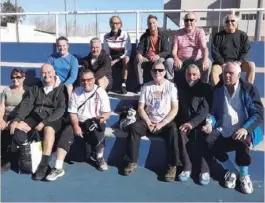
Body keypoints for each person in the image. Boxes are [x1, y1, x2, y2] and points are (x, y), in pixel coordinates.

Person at [202, 62, 263, 194]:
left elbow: (258, 114)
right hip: (224, 128)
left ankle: (244, 175)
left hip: (242, 129)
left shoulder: (248, 89)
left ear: (239, 75)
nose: (227, 76)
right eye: (225, 73)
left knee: (243, 140)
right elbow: (214, 112)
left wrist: (245, 129)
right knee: (208, 141)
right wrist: (209, 123)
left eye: (231, 73)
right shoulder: (218, 90)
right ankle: (231, 170)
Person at [9, 64, 72, 181]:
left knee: (48, 130)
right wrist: (17, 120)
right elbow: (27, 104)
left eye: (48, 72)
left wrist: (44, 122)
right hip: (37, 115)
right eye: (43, 73)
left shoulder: (61, 88)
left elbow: (61, 110)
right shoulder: (36, 87)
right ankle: (22, 159)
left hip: (54, 118)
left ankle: (43, 165)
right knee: (19, 130)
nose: (46, 75)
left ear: (54, 72)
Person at [123, 61, 179, 182]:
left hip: (164, 122)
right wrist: (148, 122)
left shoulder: (171, 86)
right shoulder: (146, 86)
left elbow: (175, 109)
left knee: (174, 130)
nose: (157, 72)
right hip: (148, 119)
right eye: (155, 70)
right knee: (134, 128)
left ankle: (172, 166)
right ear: (151, 72)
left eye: (160, 70)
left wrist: (161, 123)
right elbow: (140, 108)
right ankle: (131, 161)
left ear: (164, 72)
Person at [65, 68, 111, 173]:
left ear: (94, 79)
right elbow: (72, 113)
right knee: (80, 155)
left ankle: (99, 157)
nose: (86, 82)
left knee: (100, 126)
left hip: (94, 122)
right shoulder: (76, 92)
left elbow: (107, 113)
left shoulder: (101, 92)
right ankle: (58, 166)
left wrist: (101, 119)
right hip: (80, 123)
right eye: (83, 80)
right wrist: (76, 126)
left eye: (89, 79)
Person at [176, 64, 213, 185]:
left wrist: (192, 123)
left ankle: (205, 170)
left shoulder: (206, 88)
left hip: (201, 123)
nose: (191, 77)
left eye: (194, 74)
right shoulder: (180, 87)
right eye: (189, 74)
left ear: (199, 76)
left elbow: (205, 110)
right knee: (181, 132)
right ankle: (187, 167)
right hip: (185, 122)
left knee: (204, 135)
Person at [165, 12, 211, 84]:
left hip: (196, 60)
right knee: (169, 62)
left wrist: (205, 59)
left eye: (191, 20)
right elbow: (174, 51)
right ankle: (170, 85)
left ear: (195, 21)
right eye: (186, 20)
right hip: (181, 61)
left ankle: (203, 86)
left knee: (208, 62)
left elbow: (204, 48)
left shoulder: (200, 32)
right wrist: (176, 59)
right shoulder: (178, 33)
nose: (188, 22)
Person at [211, 14, 255, 85]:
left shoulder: (243, 35)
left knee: (251, 65)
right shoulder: (218, 36)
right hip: (222, 64)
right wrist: (223, 63)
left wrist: (239, 62)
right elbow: (215, 52)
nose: (230, 23)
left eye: (232, 21)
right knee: (214, 69)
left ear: (236, 23)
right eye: (227, 21)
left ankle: (248, 89)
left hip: (239, 63)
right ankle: (218, 92)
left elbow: (246, 51)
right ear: (224, 23)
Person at [0, 69, 27, 172]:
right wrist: (1, 120)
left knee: (12, 131)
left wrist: (12, 122)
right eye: (13, 77)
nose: (15, 79)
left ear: (23, 78)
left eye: (18, 77)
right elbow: (2, 107)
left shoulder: (26, 92)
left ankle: (8, 160)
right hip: (5, 116)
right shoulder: (6, 90)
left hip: (18, 119)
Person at [135, 15, 170, 91]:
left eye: (153, 23)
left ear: (157, 23)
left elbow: (166, 51)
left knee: (160, 62)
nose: (152, 25)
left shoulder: (163, 35)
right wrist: (138, 53)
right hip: (147, 57)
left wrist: (158, 56)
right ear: (147, 25)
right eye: (149, 23)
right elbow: (140, 48)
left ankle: (159, 83)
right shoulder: (144, 36)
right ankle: (140, 85)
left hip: (158, 57)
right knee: (137, 61)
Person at [104, 16, 132, 94]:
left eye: (117, 23)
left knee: (126, 59)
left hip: (122, 57)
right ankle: (107, 85)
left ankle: (123, 84)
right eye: (112, 23)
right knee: (104, 61)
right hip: (111, 58)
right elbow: (106, 51)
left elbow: (128, 51)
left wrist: (117, 59)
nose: (114, 25)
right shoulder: (106, 36)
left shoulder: (125, 35)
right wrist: (109, 59)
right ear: (110, 24)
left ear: (120, 24)